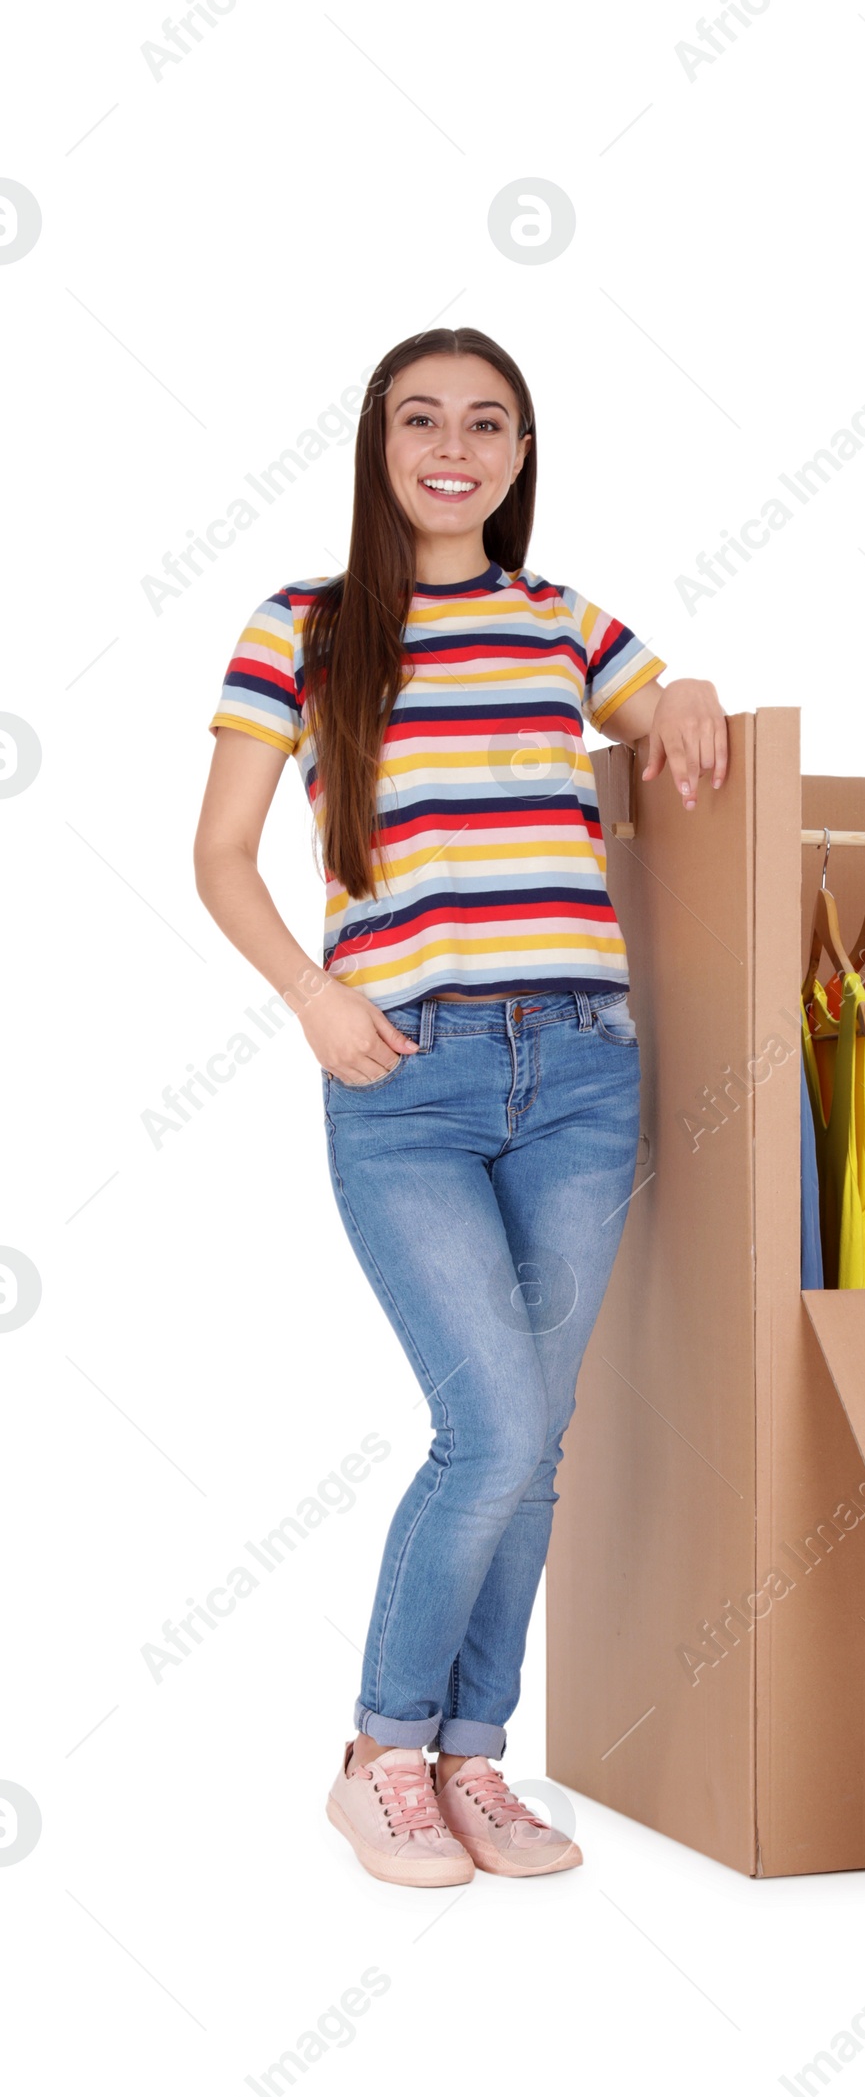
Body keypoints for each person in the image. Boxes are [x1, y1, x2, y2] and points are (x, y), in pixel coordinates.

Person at [193, 326, 727, 1887]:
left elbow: (669, 719)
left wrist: (685, 682)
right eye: (423, 417)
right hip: (403, 1078)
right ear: (378, 441)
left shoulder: (565, 622)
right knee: (488, 1425)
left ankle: (476, 1763)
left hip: (581, 1069)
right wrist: (313, 994)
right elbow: (221, 854)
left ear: (519, 453)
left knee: (537, 1440)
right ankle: (382, 1752)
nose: (455, 445)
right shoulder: (299, 625)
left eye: (488, 423)